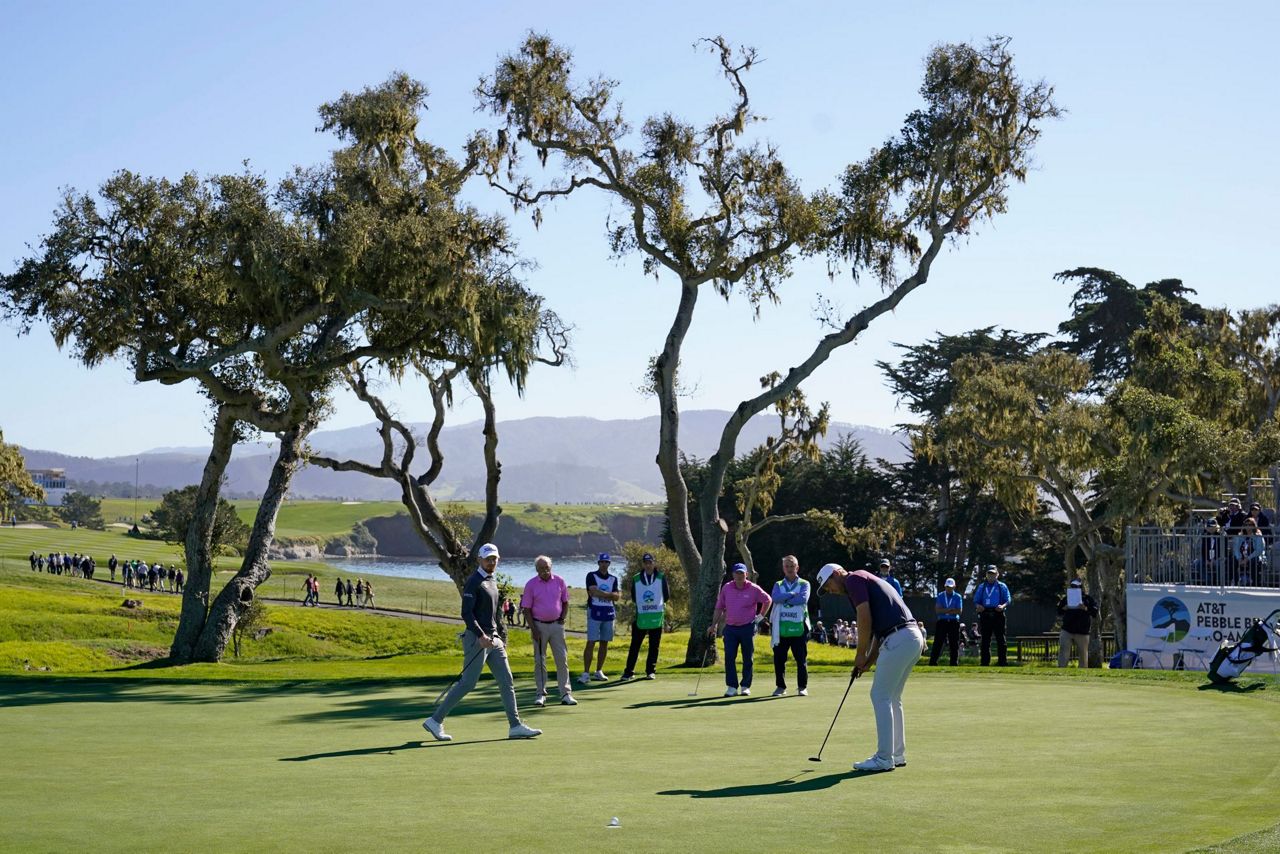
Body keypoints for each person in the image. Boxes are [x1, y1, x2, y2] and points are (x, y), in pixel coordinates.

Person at [422, 543, 541, 741]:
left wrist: (498, 636)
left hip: (493, 640)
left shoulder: (492, 581)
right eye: (488, 559)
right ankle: (435, 720)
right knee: (468, 683)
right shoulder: (474, 582)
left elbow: (493, 614)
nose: (491, 562)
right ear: (479, 560)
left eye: (494, 558)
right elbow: (466, 613)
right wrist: (480, 635)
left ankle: (515, 725)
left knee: (506, 681)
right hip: (477, 640)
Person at [817, 562, 924, 772]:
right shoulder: (864, 579)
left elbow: (864, 617)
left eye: (829, 584)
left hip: (900, 637)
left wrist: (859, 654)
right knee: (892, 697)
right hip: (911, 637)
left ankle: (884, 758)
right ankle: (897, 754)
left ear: (837, 573)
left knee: (880, 695)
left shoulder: (853, 579)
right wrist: (867, 661)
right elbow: (877, 630)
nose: (830, 590)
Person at [707, 563, 771, 697]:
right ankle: (732, 686)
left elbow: (767, 600)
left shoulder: (753, 588)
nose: (739, 575)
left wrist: (760, 617)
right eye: (737, 573)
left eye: (742, 573)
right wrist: (713, 625)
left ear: (746, 574)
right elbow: (719, 607)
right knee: (729, 657)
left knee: (748, 658)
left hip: (747, 627)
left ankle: (745, 686)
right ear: (733, 575)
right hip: (730, 628)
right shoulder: (727, 588)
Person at [519, 555, 576, 707]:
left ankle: (565, 693)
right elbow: (526, 609)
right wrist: (533, 629)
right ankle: (541, 694)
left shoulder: (559, 581)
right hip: (539, 626)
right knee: (540, 661)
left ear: (551, 567)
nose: (545, 571)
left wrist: (562, 618)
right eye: (541, 569)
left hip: (556, 626)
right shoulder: (531, 584)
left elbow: (565, 602)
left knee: (562, 660)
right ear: (536, 569)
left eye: (547, 568)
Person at [622, 553, 669, 681]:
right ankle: (629, 672)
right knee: (635, 646)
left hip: (656, 617)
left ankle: (650, 671)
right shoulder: (636, 578)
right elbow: (634, 596)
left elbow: (666, 595)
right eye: (646, 563)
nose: (648, 565)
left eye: (650, 562)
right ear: (643, 564)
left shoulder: (661, 577)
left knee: (654, 646)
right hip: (641, 617)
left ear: (654, 563)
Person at [770, 555, 811, 697]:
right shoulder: (778, 584)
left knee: (801, 659)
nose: (789, 569)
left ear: (797, 567)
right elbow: (775, 598)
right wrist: (792, 594)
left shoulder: (804, 583)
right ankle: (780, 687)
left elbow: (803, 599)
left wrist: (785, 598)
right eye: (786, 566)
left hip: (799, 626)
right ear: (783, 568)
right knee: (779, 659)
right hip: (781, 627)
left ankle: (802, 687)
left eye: (792, 566)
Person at [580, 553, 621, 684]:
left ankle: (599, 671)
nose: (604, 564)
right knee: (591, 641)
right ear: (598, 563)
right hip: (594, 611)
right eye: (602, 562)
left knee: (604, 642)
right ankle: (586, 673)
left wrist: (605, 594)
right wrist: (610, 595)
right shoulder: (591, 576)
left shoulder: (613, 579)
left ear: (609, 564)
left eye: (606, 562)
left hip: (608, 612)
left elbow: (617, 596)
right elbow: (593, 592)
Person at [1056, 578, 1099, 668]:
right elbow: (1059, 611)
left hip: (1082, 631)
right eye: (1073, 586)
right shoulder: (1066, 599)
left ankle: (1082, 673)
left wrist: (1085, 608)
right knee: (1064, 651)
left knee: (1083, 654)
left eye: (1076, 586)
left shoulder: (1088, 599)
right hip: (1067, 629)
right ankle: (1061, 670)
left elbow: (1095, 612)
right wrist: (1064, 608)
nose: (1074, 588)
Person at [973, 565, 1011, 666]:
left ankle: (1002, 662)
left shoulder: (1001, 586)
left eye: (993, 574)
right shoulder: (982, 586)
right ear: (986, 575)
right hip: (985, 613)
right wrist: (978, 606)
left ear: (997, 575)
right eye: (989, 574)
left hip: (998, 613)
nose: (991, 576)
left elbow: (1008, 599)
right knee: (985, 639)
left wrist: (1002, 606)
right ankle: (985, 662)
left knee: (1001, 639)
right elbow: (976, 600)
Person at [929, 578, 962, 666]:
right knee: (938, 643)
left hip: (953, 622)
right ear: (945, 586)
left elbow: (959, 611)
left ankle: (954, 663)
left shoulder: (958, 596)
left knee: (954, 644)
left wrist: (944, 610)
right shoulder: (940, 595)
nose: (949, 589)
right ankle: (933, 663)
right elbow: (937, 610)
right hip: (942, 622)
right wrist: (950, 610)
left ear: (954, 587)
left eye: (951, 587)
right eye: (947, 587)